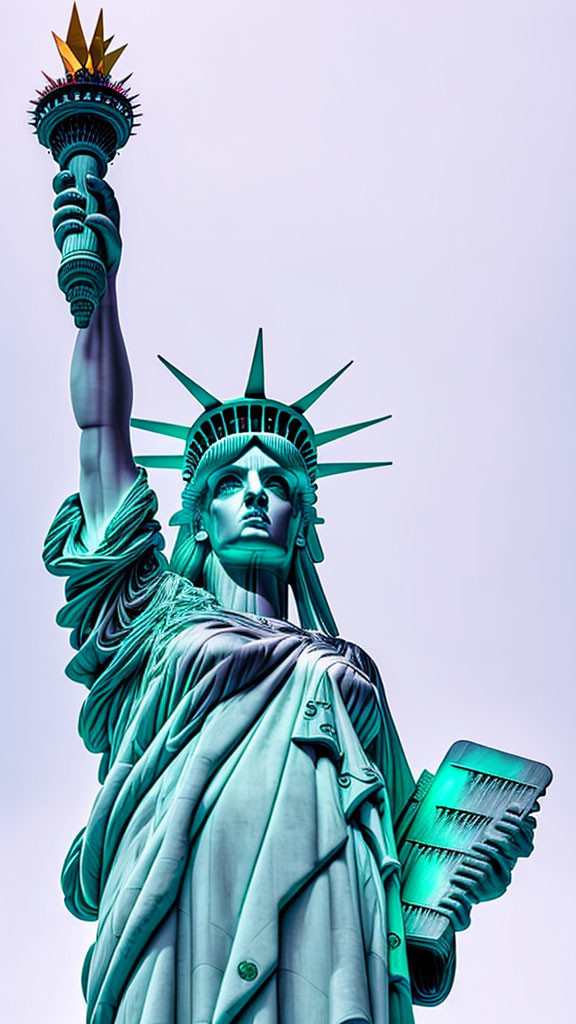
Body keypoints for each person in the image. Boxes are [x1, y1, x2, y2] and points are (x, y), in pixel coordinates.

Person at [44, 171, 527, 1024]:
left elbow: (410, 860)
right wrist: (100, 293)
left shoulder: (351, 674)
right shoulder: (149, 619)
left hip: (332, 935)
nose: (259, 493)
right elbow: (99, 436)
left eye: (281, 483)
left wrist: (471, 861)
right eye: (233, 482)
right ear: (198, 515)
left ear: (303, 521)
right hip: (179, 911)